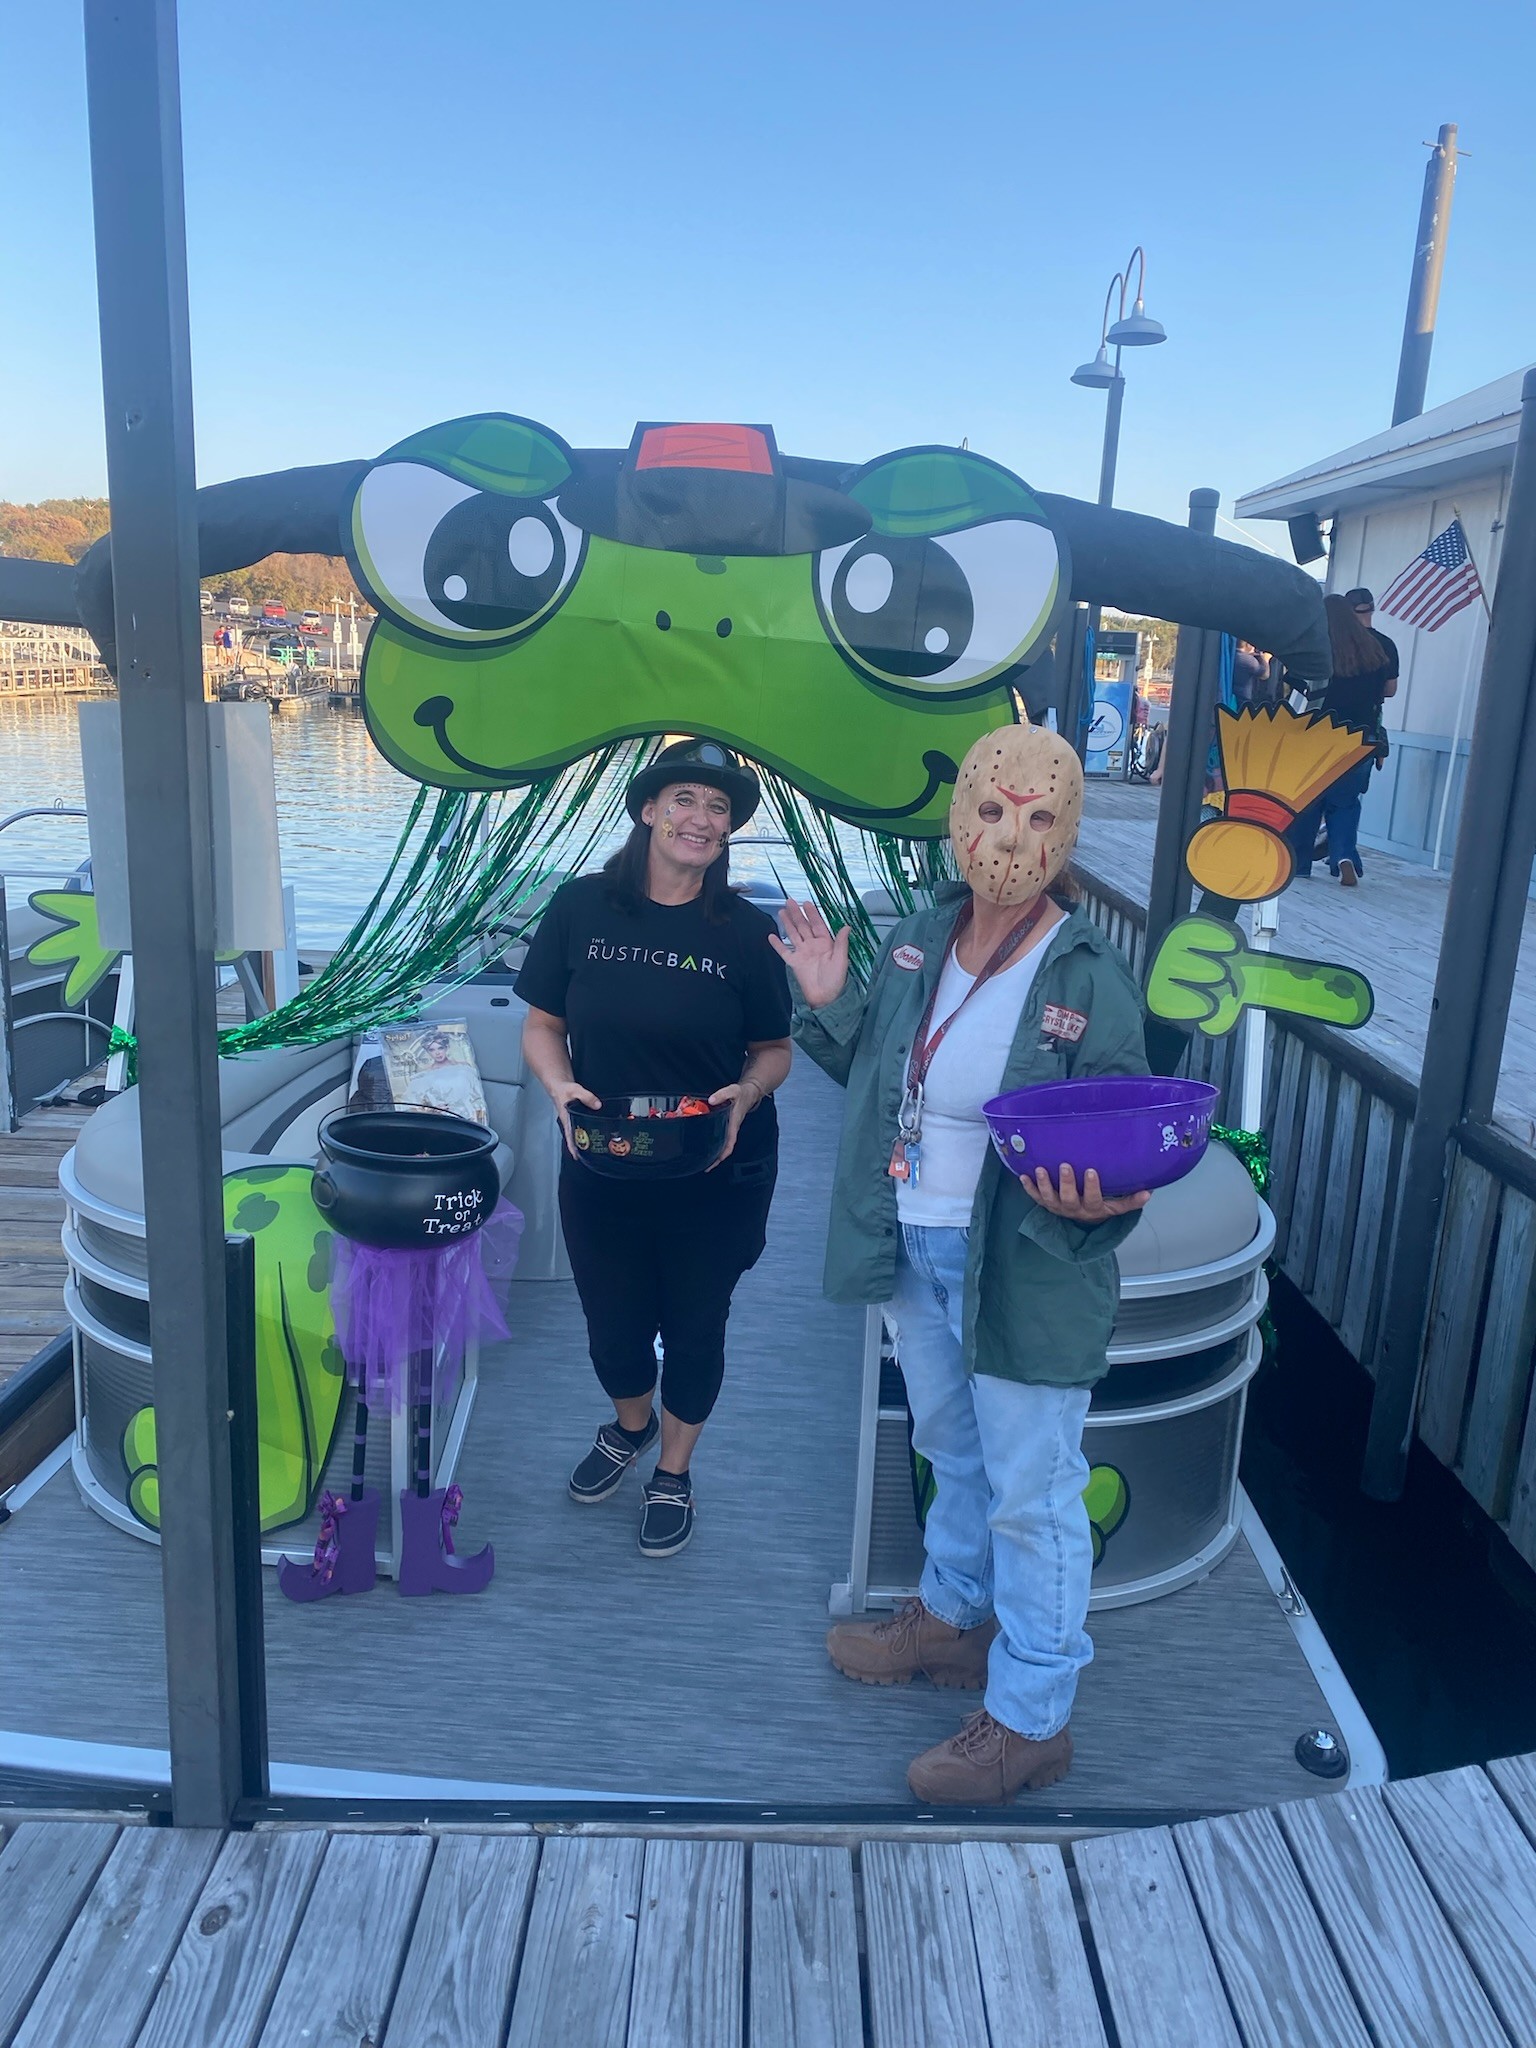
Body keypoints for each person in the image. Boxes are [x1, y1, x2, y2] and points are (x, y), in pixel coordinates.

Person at [777, 724, 1150, 1804]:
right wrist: (826, 995)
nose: (1013, 836)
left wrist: (1108, 1195)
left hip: (1023, 1259)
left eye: (1040, 817)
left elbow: (1126, 1137)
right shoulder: (921, 934)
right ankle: (950, 1619)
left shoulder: (1088, 968)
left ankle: (1033, 1716)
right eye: (994, 809)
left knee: (1035, 1491)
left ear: (1067, 831)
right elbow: (877, 1073)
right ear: (959, 818)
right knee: (949, 1441)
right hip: (912, 1235)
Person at [516, 739, 793, 1558]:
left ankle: (673, 1467)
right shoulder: (581, 908)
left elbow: (772, 1049)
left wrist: (747, 1091)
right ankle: (629, 1426)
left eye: (717, 809)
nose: (700, 820)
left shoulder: (745, 932)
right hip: (602, 1161)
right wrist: (557, 1086)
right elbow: (542, 1026)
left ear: (728, 830)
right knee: (614, 1328)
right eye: (683, 800)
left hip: (716, 1166)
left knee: (698, 1326)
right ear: (647, 810)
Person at [1286, 593, 1398, 887]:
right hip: (1361, 736)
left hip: (1319, 733)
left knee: (1309, 798)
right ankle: (1344, 856)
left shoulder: (1319, 647)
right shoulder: (1383, 646)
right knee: (1346, 801)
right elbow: (1390, 690)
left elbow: (1297, 688)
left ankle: (1298, 863)